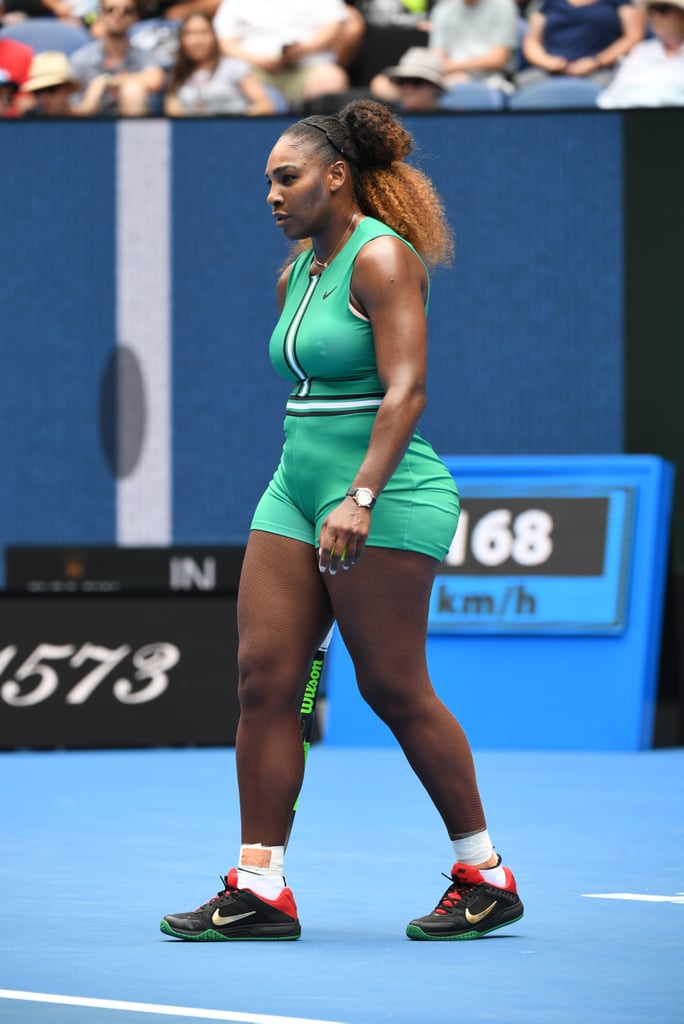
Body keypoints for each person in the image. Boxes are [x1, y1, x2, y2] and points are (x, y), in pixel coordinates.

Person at [161, 99, 524, 944]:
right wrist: (325, 489)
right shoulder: (300, 270)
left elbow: (407, 390)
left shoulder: (383, 258)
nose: (273, 195)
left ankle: (486, 873)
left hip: (386, 492)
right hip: (293, 485)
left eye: (286, 178)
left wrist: (360, 495)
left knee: (391, 687)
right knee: (265, 681)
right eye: (267, 183)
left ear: (335, 176)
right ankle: (259, 886)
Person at [212, 0, 351, 112]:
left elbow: (334, 25)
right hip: (253, 72)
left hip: (305, 67)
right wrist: (257, 59)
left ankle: (321, 140)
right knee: (230, 80)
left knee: (331, 78)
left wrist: (303, 49)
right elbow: (224, 41)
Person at [164, 11, 276, 115]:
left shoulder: (234, 67)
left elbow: (265, 105)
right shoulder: (177, 72)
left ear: (214, 36)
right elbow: (173, 111)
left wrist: (232, 124)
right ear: (181, 39)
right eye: (189, 33)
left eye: (203, 33)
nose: (196, 40)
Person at [69, 0, 165, 115]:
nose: (118, 15)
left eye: (127, 11)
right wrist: (86, 107)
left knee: (132, 89)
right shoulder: (81, 59)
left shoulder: (143, 55)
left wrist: (105, 81)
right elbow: (71, 108)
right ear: (100, 16)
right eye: (110, 10)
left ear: (135, 18)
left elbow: (155, 79)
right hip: (91, 127)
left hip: (132, 127)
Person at [519, 0, 645, 85]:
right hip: (551, 70)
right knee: (524, 83)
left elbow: (633, 36)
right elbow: (532, 41)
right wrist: (547, 62)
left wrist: (597, 61)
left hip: (602, 70)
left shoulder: (620, 3)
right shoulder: (548, 4)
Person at [597, 0, 684, 106]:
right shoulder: (641, 51)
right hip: (632, 118)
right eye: (652, 10)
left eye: (663, 9)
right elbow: (611, 98)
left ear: (681, 15)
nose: (655, 15)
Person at [429, 0, 519, 92]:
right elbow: (437, 57)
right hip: (450, 77)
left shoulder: (503, 5)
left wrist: (454, 67)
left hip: (493, 79)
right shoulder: (443, 9)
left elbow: (498, 59)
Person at [371, 44, 447, 109]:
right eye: (402, 81)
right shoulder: (388, 121)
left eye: (416, 81)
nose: (407, 88)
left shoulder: (453, 120)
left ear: (435, 87)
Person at [20, 50, 80, 115]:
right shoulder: (29, 121)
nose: (43, 99)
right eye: (37, 92)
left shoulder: (84, 123)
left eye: (51, 89)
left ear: (68, 89)